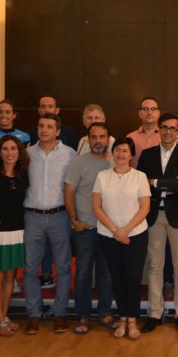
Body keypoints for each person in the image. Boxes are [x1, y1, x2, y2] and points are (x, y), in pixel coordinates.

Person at [137, 113, 178, 335]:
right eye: (165, 128)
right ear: (159, 130)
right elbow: (142, 183)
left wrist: (156, 182)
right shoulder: (147, 154)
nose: (168, 132)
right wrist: (168, 183)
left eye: (173, 128)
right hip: (153, 215)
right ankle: (155, 313)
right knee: (155, 266)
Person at [92, 137, 151, 340]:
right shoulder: (102, 176)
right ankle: (122, 317)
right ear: (112, 153)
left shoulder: (140, 176)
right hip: (109, 235)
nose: (121, 154)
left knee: (133, 278)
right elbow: (97, 207)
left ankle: (133, 319)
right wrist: (116, 230)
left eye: (125, 151)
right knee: (117, 278)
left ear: (131, 155)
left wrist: (126, 230)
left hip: (135, 234)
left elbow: (145, 207)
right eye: (117, 150)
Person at [23, 113, 76, 335]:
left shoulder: (70, 155)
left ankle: (60, 313)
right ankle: (34, 314)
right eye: (41, 126)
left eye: (49, 127)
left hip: (59, 215)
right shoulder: (26, 154)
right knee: (30, 268)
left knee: (63, 267)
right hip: (33, 215)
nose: (44, 130)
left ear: (58, 131)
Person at [64, 123, 116, 335]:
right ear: (87, 139)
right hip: (85, 229)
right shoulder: (79, 163)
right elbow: (68, 192)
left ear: (108, 138)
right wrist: (73, 219)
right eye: (93, 137)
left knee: (107, 274)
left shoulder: (115, 161)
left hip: (109, 230)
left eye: (102, 137)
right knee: (83, 274)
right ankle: (83, 316)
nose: (98, 141)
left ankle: (104, 313)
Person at [0, 135, 29, 337]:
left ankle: (5, 316)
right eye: (5, 149)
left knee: (11, 276)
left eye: (13, 148)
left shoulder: (23, 176)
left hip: (17, 232)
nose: (10, 152)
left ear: (19, 153)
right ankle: (0, 320)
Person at [126, 96, 161, 169]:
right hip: (135, 179)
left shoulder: (165, 137)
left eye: (153, 109)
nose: (149, 112)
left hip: (159, 180)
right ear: (139, 113)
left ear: (158, 113)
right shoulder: (130, 137)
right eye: (145, 109)